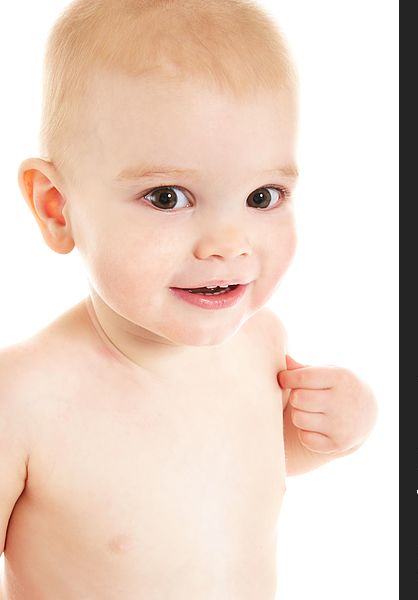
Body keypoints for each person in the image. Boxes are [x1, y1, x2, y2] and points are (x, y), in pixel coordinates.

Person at [0, 1, 377, 598]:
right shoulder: (24, 396)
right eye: (168, 197)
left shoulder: (260, 342)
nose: (228, 245)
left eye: (262, 196)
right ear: (57, 206)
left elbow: (246, 471)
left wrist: (328, 435)